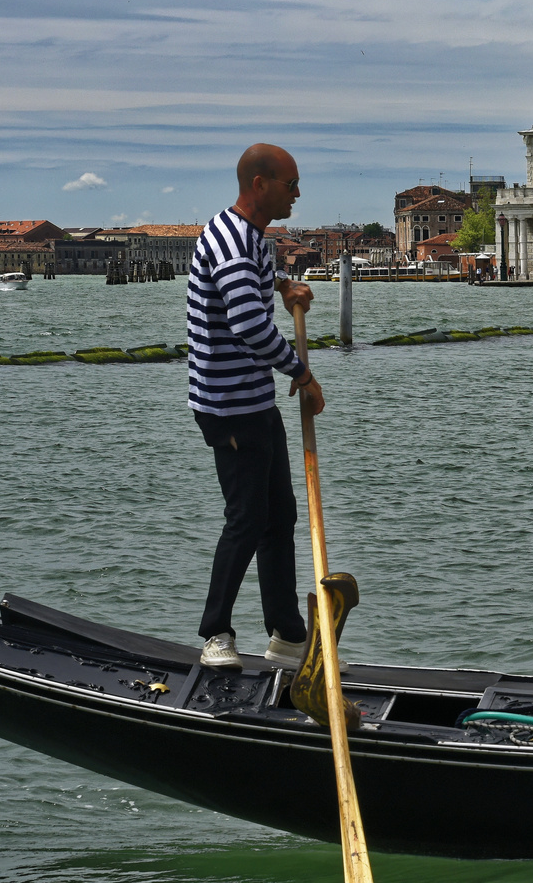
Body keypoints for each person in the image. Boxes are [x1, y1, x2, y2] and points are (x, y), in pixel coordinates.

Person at [187, 143, 325, 671]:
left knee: (279, 514)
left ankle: (287, 635)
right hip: (228, 405)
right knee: (247, 518)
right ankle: (215, 634)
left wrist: (283, 286)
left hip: (251, 399)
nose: (297, 193)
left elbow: (247, 294)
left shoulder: (249, 239)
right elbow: (248, 326)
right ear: (260, 184)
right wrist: (302, 372)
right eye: (291, 184)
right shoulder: (231, 240)